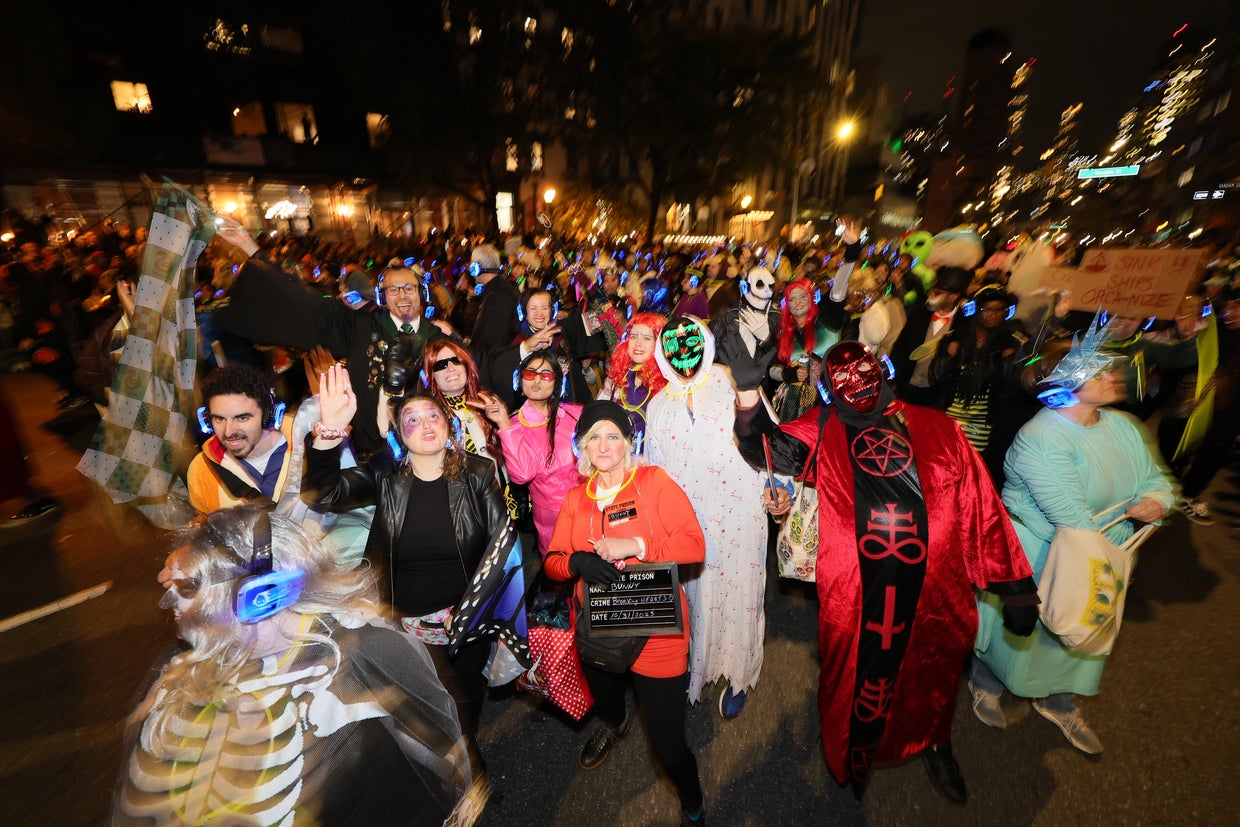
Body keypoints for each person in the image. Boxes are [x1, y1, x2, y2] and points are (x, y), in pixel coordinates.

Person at [731, 339, 1038, 804]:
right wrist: (750, 394)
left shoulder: (939, 428)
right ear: (830, 390)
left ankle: (936, 743)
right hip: (855, 603)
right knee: (852, 682)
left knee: (931, 678)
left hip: (934, 601)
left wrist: (1015, 588)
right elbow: (768, 450)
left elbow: (982, 508)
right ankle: (848, 747)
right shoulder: (823, 427)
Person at [115, 506, 474, 825]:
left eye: (190, 588)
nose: (169, 601)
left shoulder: (365, 652)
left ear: (259, 596)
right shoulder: (184, 670)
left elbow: (438, 754)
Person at [970, 319, 1177, 754]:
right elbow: (1071, 516)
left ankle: (1060, 702)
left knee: (1085, 632)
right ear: (1072, 382)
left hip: (1104, 551)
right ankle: (986, 684)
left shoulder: (1124, 426)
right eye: (1100, 372)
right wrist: (1126, 517)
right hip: (1045, 552)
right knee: (1021, 633)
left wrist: (1158, 502)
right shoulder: (1039, 438)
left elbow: (1155, 479)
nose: (1114, 377)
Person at [302, 366, 511, 779]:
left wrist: (473, 611)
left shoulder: (478, 474)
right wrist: (327, 433)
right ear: (400, 434)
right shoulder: (384, 475)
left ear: (448, 426)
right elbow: (322, 493)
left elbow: (501, 550)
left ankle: (468, 764)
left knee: (464, 702)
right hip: (407, 626)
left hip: (465, 623)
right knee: (427, 705)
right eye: (411, 420)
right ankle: (456, 773)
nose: (424, 424)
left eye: (432, 415)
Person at [543, 401, 706, 824]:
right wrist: (577, 561)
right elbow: (553, 560)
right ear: (582, 447)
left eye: (612, 434)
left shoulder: (652, 482)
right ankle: (613, 724)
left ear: (627, 442)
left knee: (669, 748)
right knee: (607, 697)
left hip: (656, 631)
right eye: (593, 436)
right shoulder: (577, 499)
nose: (603, 444)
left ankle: (693, 804)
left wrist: (636, 546)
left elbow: (693, 545)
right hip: (598, 627)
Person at [647, 315, 768, 719]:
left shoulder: (733, 380)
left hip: (742, 511)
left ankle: (739, 674)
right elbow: (656, 470)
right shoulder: (658, 406)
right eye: (673, 346)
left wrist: (779, 488)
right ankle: (699, 667)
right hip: (691, 519)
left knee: (742, 594)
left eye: (691, 341)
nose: (683, 352)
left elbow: (769, 441)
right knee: (698, 599)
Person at [483, 349, 583, 556]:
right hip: (553, 521)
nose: (537, 380)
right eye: (530, 374)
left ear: (556, 382)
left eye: (545, 375)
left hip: (589, 508)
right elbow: (522, 474)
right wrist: (503, 423)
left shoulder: (576, 414)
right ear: (520, 379)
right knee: (561, 578)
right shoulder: (511, 425)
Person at [928, 284, 1024, 484]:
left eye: (999, 310)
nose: (993, 315)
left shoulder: (1007, 343)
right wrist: (948, 355)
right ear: (975, 309)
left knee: (968, 473)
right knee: (942, 468)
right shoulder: (958, 337)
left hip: (981, 424)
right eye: (987, 309)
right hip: (950, 418)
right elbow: (936, 377)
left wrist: (1007, 362)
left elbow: (1009, 388)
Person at [187, 365, 297, 515]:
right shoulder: (201, 470)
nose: (229, 431)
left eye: (242, 418)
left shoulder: (307, 447)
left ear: (268, 416)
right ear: (206, 420)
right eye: (220, 419)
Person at [891, 266, 970, 405]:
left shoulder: (964, 324)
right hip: (908, 387)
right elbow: (900, 346)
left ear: (954, 296)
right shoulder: (918, 314)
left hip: (937, 395)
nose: (931, 296)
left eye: (938, 293)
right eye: (932, 291)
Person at [597, 311, 669, 451]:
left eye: (647, 338)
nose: (638, 343)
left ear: (659, 344)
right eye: (634, 336)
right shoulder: (616, 376)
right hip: (616, 456)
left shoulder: (668, 383)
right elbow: (597, 415)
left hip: (650, 461)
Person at [770, 277, 835, 422]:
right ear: (787, 304)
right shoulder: (781, 331)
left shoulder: (825, 323)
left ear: (810, 298)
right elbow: (771, 368)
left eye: (802, 296)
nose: (798, 302)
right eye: (792, 299)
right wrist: (789, 374)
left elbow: (838, 297)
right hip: (791, 401)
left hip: (824, 399)